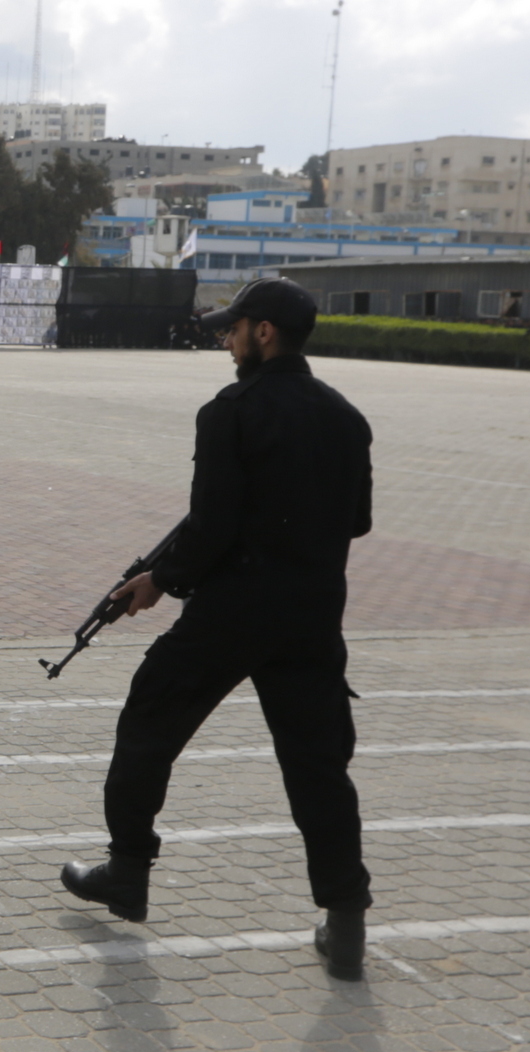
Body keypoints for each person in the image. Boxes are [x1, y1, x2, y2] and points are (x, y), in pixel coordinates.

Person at [58, 277, 375, 981]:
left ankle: (128, 872)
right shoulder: (347, 419)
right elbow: (357, 521)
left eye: (234, 329)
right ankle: (347, 922)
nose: (227, 341)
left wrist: (160, 581)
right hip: (314, 616)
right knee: (318, 767)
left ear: (263, 333)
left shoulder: (230, 411)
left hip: (232, 612)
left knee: (149, 721)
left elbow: (209, 530)